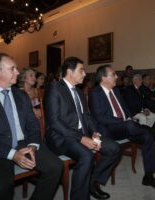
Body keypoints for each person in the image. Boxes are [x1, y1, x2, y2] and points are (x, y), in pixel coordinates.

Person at [0, 53, 62, 200]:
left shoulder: (21, 95)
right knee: (0, 188)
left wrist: (33, 145)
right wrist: (12, 154)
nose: (17, 72)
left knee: (56, 167)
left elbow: (33, 125)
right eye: (12, 69)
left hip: (24, 143)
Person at [44, 57, 121, 200]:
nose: (85, 74)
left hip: (81, 134)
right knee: (87, 155)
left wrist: (94, 132)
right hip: (61, 137)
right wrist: (81, 138)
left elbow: (86, 116)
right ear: (69, 71)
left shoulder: (79, 92)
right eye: (81, 70)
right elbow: (54, 122)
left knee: (114, 148)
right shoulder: (55, 88)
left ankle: (92, 182)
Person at [89, 64, 155, 191]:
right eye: (113, 74)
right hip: (109, 129)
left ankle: (149, 177)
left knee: (147, 137)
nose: (117, 76)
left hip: (127, 128)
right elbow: (100, 118)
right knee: (133, 125)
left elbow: (124, 108)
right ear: (103, 78)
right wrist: (124, 120)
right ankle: (154, 131)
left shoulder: (116, 90)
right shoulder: (95, 93)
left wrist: (129, 117)